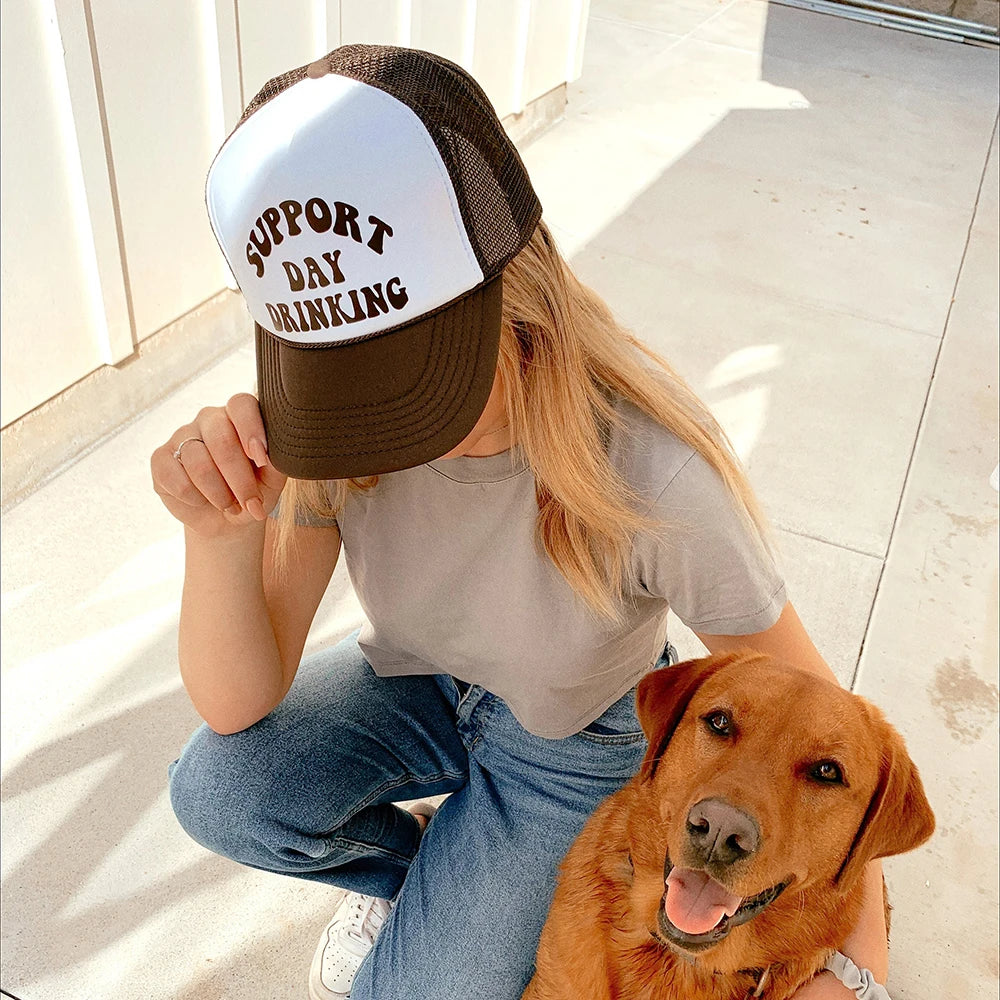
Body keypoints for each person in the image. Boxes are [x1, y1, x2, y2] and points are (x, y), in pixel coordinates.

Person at [156, 44, 889, 1000]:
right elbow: (235, 706)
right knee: (218, 792)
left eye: (408, 376)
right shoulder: (334, 433)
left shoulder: (651, 472)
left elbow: (830, 734)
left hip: (582, 742)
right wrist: (216, 536)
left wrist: (853, 972)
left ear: (516, 291)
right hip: (426, 685)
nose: (376, 425)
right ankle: (426, 878)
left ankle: (479, 890)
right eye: (346, 380)